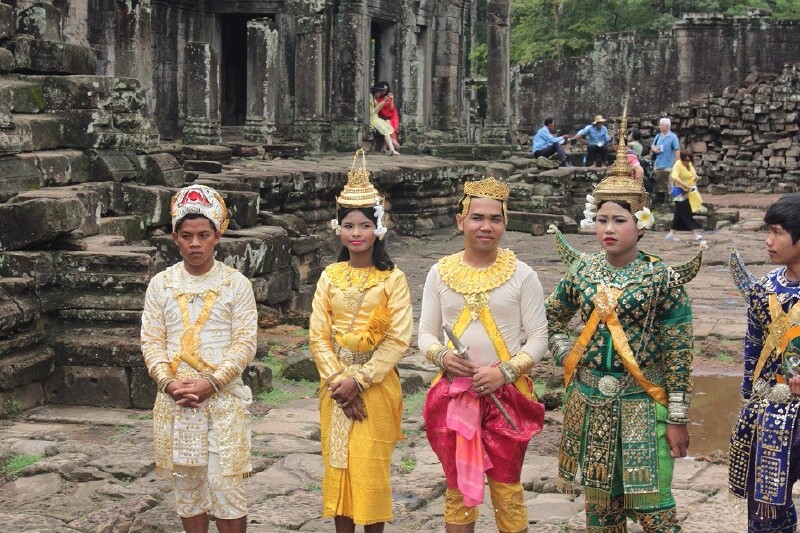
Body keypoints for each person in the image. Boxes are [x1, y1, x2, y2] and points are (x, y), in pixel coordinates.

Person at [547, 115, 699, 532]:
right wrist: (567, 353)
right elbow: (553, 317)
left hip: (642, 402)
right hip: (590, 402)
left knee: (656, 514)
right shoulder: (580, 272)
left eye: (619, 220)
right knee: (601, 515)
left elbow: (679, 351)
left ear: (641, 223)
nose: (608, 229)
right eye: (601, 220)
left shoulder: (661, 279)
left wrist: (678, 416)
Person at [419, 176, 547, 533]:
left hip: (507, 394)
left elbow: (538, 338)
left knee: (507, 490)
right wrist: (442, 357)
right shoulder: (439, 273)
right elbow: (425, 333)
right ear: (461, 221)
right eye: (477, 217)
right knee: (458, 490)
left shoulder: (523, 275)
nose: (486, 226)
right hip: (453, 392)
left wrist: (505, 372)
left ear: (505, 223)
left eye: (495, 218)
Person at [141, 184, 257, 533]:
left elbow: (245, 341)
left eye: (203, 235)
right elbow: (151, 339)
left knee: (227, 489)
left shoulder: (236, 284)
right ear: (174, 237)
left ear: (217, 236)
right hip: (176, 401)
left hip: (223, 402)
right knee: (188, 490)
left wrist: (213, 382)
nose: (195, 244)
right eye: (187, 235)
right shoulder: (160, 285)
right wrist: (168, 382)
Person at [309, 149, 413, 533]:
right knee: (339, 468)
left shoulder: (392, 278)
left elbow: (399, 338)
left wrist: (361, 381)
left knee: (369, 469)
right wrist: (340, 381)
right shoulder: (329, 276)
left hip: (377, 385)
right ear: (338, 229)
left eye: (364, 226)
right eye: (349, 225)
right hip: (334, 387)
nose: (356, 233)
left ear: (378, 229)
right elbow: (318, 334)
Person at [729, 194, 800, 533]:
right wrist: (749, 400)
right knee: (767, 509)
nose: (767, 241)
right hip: (771, 411)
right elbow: (753, 349)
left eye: (776, 232)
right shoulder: (765, 288)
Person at [665, 150, 703, 242]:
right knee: (686, 212)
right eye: (685, 160)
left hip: (688, 191)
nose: (686, 162)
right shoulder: (677, 165)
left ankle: (671, 233)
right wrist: (683, 184)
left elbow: (693, 174)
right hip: (678, 192)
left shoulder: (689, 165)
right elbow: (675, 177)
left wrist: (695, 177)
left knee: (679, 213)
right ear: (682, 159)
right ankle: (694, 233)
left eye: (688, 161)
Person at [651, 118, 681, 204]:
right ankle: (659, 202)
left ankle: (671, 203)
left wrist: (677, 164)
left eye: (661, 125)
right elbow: (653, 145)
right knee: (658, 184)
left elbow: (677, 150)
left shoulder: (673, 137)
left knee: (669, 184)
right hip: (658, 163)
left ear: (666, 126)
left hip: (668, 164)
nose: (659, 126)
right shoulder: (658, 136)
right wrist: (654, 149)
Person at [370, 84, 399, 156]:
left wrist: (384, 102)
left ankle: (385, 148)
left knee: (390, 128)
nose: (381, 94)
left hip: (376, 118)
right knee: (386, 131)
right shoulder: (370, 98)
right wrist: (381, 104)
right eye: (380, 92)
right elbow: (372, 112)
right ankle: (392, 149)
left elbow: (389, 108)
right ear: (377, 91)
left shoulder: (374, 98)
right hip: (372, 119)